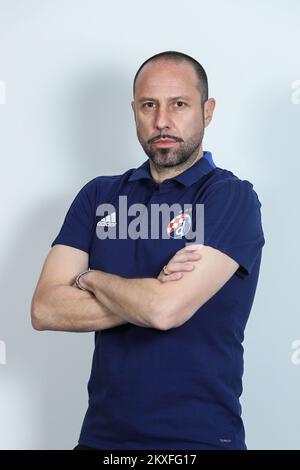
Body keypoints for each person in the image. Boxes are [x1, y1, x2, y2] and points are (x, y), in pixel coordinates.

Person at [31, 51, 265, 450]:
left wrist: (90, 278)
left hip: (198, 441)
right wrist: (151, 294)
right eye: (148, 105)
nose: (162, 121)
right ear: (134, 111)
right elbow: (44, 309)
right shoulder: (98, 195)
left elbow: (163, 311)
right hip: (101, 440)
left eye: (179, 104)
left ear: (207, 111)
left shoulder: (230, 197)